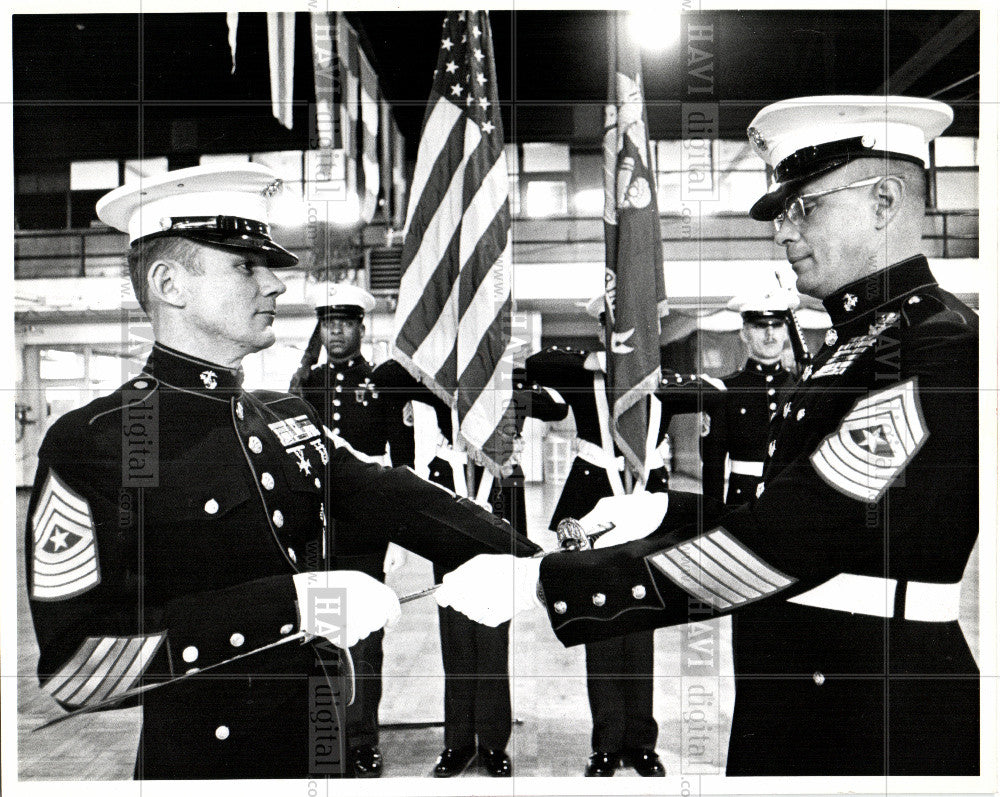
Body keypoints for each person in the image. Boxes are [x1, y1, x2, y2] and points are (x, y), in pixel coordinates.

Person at [437, 96, 980, 776]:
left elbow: (799, 531)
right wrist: (656, 512)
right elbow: (782, 508)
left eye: (804, 206)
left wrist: (554, 580)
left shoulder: (937, 346)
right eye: (782, 214)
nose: (784, 232)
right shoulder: (855, 346)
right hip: (807, 685)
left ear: (884, 200)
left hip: (880, 705)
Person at [24, 164, 538, 780]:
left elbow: (396, 499)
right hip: (206, 766)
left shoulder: (286, 414)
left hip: (321, 748)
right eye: (246, 266)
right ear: (169, 283)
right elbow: (78, 667)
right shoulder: (96, 442)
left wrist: (546, 559)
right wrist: (295, 605)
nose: (275, 285)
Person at [371, 359, 567, 777]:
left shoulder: (511, 393)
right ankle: (457, 743)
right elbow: (387, 375)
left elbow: (556, 406)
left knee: (493, 637)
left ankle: (494, 744)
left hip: (499, 495)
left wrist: (515, 372)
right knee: (456, 638)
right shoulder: (446, 389)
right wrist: (436, 364)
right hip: (452, 498)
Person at [525, 299, 667, 778]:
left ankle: (642, 743)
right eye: (615, 324)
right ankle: (606, 744)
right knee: (600, 626)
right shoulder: (584, 375)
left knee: (641, 627)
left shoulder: (657, 376)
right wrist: (592, 360)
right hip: (591, 510)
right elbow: (535, 365)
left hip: (643, 506)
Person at [289, 282, 405, 777]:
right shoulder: (304, 385)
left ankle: (361, 739)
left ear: (361, 328)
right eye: (326, 323)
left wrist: (397, 531)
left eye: (344, 323)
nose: (334, 331)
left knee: (364, 639)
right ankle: (324, 737)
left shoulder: (381, 383)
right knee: (319, 637)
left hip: (363, 529)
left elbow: (401, 462)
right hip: (316, 533)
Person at [701, 294, 794, 505]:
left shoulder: (801, 387)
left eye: (777, 325)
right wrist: (713, 514)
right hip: (743, 499)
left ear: (786, 332)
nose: (770, 334)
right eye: (760, 326)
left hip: (791, 500)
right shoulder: (725, 390)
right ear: (744, 333)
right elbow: (713, 465)